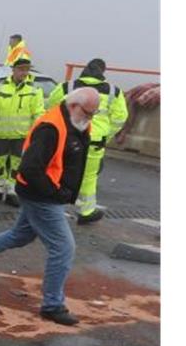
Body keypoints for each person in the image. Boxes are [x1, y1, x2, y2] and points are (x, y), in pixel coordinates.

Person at [0, 87, 99, 326]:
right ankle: (52, 305)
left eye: (93, 114)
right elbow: (30, 169)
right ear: (74, 106)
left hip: (46, 194)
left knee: (18, 236)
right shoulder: (51, 128)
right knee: (63, 248)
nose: (90, 118)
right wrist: (55, 192)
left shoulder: (77, 123)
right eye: (88, 112)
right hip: (41, 196)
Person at [46, 58, 128, 224]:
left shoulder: (67, 86)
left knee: (59, 172)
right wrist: (106, 134)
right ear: (103, 72)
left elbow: (50, 106)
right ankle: (86, 211)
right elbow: (120, 118)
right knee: (89, 177)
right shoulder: (114, 91)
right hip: (95, 141)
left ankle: (50, 208)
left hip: (69, 138)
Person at [0, 57, 44, 205]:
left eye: (26, 70)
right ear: (14, 70)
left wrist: (37, 134)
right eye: (21, 69)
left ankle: (12, 191)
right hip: (1, 134)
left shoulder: (34, 91)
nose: (24, 72)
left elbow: (38, 114)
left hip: (22, 135)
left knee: (16, 165)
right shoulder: (0, 88)